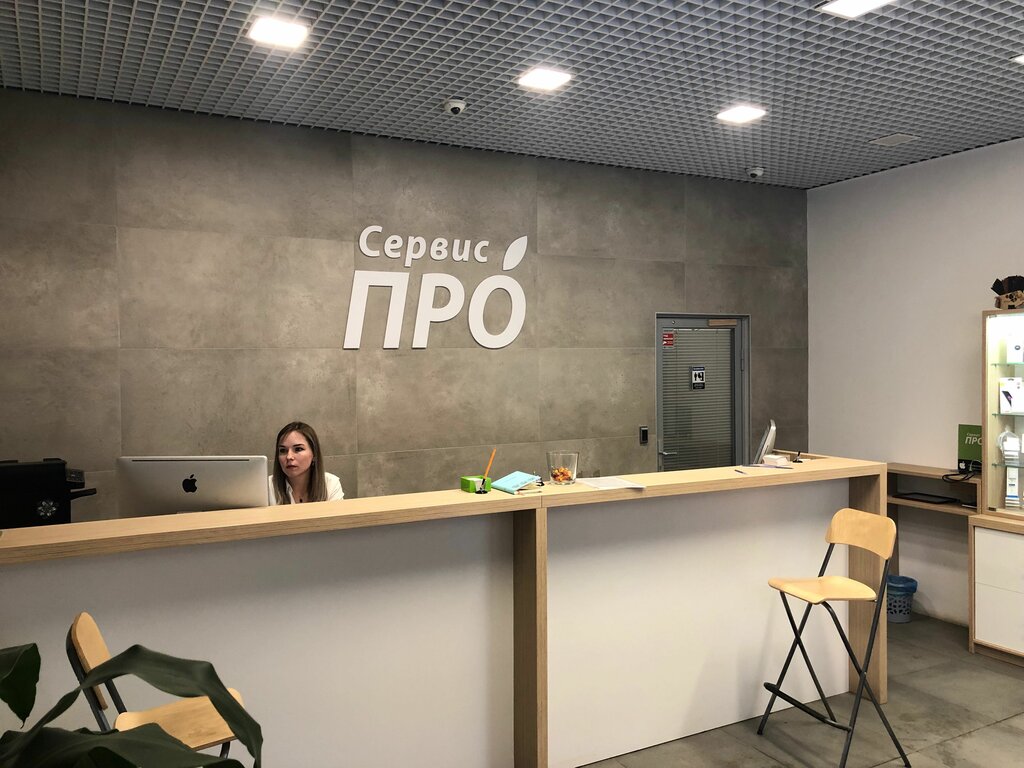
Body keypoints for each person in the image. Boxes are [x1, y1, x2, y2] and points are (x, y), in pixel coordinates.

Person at [269, 421, 344, 504]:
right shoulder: (266, 487)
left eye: (298, 449)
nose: (289, 457)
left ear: (314, 454)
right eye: (283, 450)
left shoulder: (330, 484)